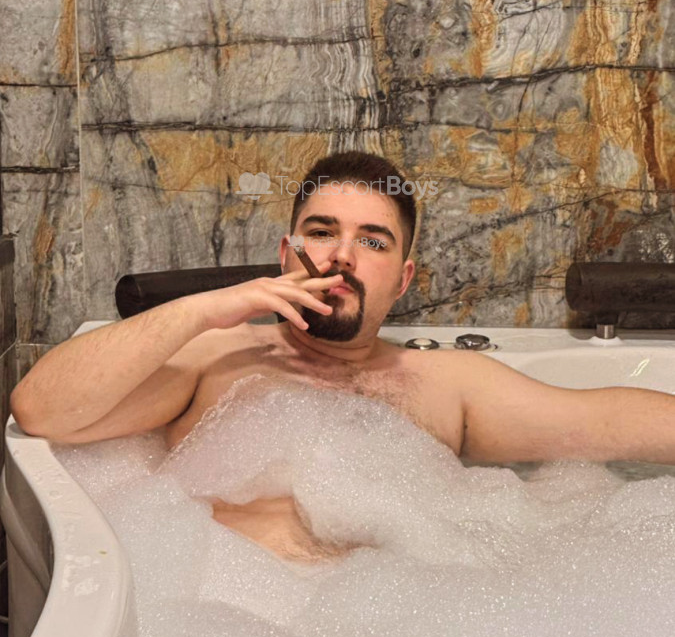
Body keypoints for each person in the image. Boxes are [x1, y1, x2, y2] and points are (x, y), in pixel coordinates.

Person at [10, 151, 675, 563]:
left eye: (373, 242)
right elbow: (42, 410)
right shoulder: (214, 357)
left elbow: (608, 420)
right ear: (286, 255)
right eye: (322, 232)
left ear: (403, 280)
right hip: (222, 620)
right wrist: (210, 308)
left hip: (398, 632)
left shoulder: (447, 384)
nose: (342, 256)